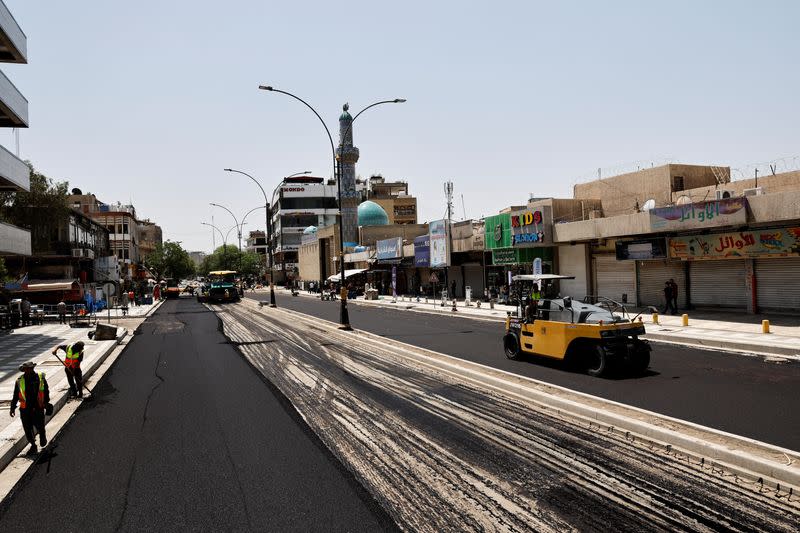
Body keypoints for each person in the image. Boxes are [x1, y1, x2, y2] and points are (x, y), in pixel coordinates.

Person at [10, 361, 49, 455]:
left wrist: (46, 403)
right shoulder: (20, 380)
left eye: (30, 369)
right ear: (24, 370)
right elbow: (16, 395)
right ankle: (33, 445)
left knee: (39, 425)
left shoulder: (40, 378)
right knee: (27, 429)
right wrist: (12, 408)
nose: (28, 371)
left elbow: (46, 391)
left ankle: (42, 436)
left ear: (32, 369)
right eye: (27, 369)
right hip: (25, 409)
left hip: (38, 407)